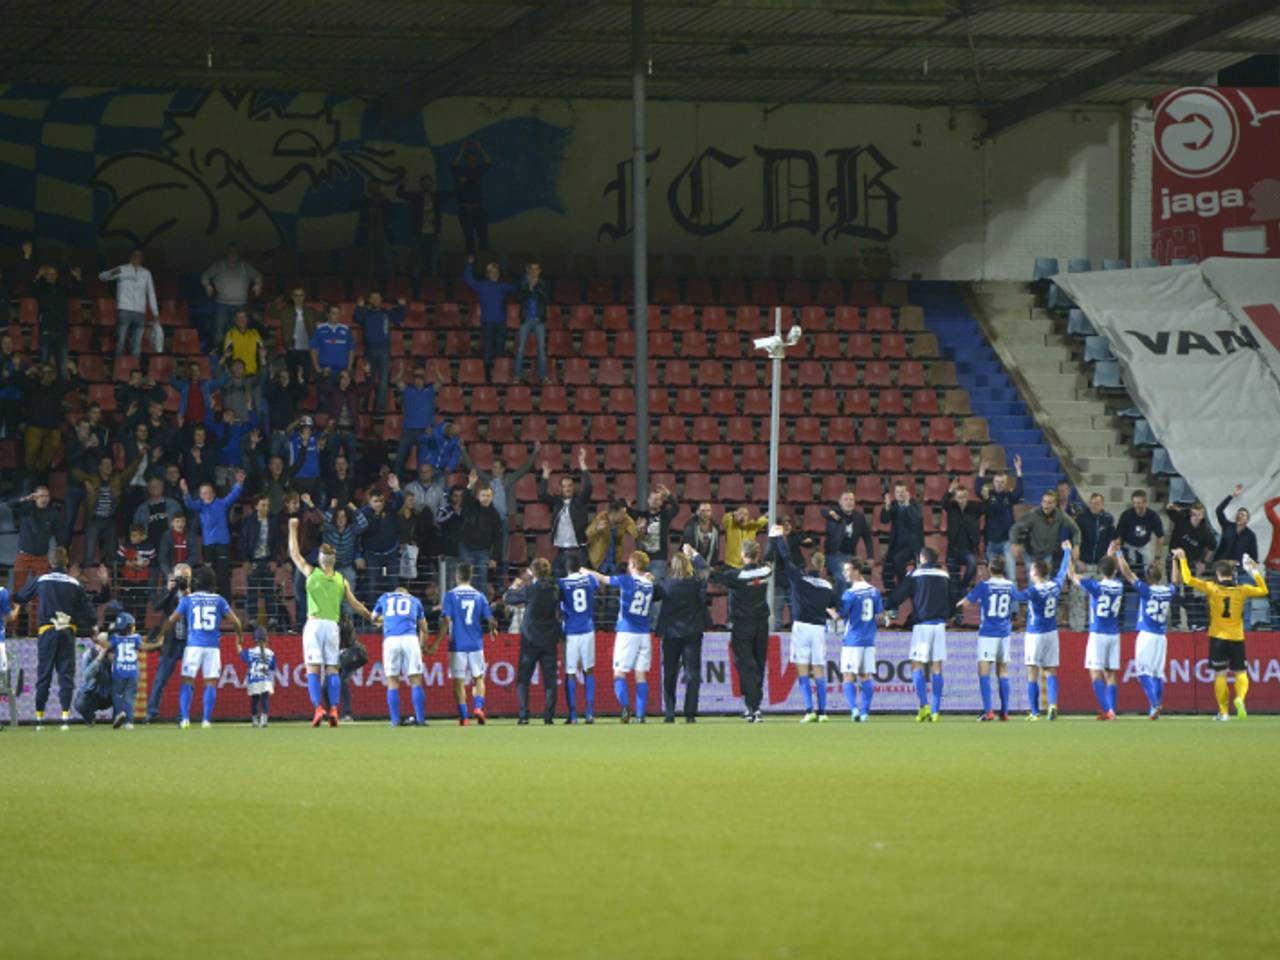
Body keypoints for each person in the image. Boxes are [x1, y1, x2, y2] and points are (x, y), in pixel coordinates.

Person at [289, 517, 373, 728]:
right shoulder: (340, 580)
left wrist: (293, 528)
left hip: (314, 625)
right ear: (333, 561)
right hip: (332, 627)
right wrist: (371, 617)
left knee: (313, 669)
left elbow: (295, 554)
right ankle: (335, 709)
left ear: (320, 559)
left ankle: (319, 708)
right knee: (333, 669)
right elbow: (355, 604)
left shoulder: (312, 573)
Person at [1174, 548, 1268, 721]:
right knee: (1240, 671)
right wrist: (1254, 571)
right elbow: (1263, 590)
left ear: (1218, 574)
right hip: (1237, 637)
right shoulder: (1242, 589)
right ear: (1232, 574)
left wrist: (1183, 559)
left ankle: (1223, 713)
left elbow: (1187, 579)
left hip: (1217, 637)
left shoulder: (1212, 587)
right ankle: (1240, 699)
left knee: (1220, 673)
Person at [15, 547, 98, 730]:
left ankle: (39, 719)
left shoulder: (42, 579)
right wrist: (94, 625)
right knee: (66, 675)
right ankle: (65, 718)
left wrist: (15, 600)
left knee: (44, 674)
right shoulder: (74, 583)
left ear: (50, 562)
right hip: (67, 631)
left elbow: (21, 597)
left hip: (47, 631)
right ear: (66, 562)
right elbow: (88, 610)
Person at [156, 566, 244, 728]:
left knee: (187, 681)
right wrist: (239, 638)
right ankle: (206, 720)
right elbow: (236, 622)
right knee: (210, 683)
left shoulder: (188, 600)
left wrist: (160, 635)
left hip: (193, 647)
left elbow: (171, 620)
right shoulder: (219, 600)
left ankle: (185, 719)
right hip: (212, 648)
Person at [769, 524, 837, 723]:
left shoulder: (799, 579)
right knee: (819, 668)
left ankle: (809, 710)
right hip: (819, 629)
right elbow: (834, 606)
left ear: (809, 564)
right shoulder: (828, 586)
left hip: (801, 627)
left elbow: (786, 559)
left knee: (802, 668)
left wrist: (779, 539)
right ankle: (823, 712)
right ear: (822, 567)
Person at [582, 551, 659, 723]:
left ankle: (625, 707)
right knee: (640, 675)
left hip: (627, 632)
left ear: (633, 565)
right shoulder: (649, 583)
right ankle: (641, 716)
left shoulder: (627, 580)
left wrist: (587, 571)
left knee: (619, 673)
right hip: (644, 634)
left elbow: (604, 579)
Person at [884, 546, 952, 722]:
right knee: (937, 667)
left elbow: (898, 595)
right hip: (939, 625)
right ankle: (936, 711)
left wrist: (889, 605)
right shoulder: (945, 575)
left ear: (922, 558)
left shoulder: (916, 574)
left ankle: (923, 706)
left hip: (922, 625)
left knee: (916, 665)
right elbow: (952, 599)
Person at [710, 542, 772, 722]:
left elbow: (713, 576)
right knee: (758, 664)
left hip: (743, 625)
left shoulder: (737, 576)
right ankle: (753, 705)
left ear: (743, 555)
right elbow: (769, 561)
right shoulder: (765, 572)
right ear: (757, 555)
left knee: (745, 666)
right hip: (762, 625)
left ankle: (754, 708)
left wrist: (695, 556)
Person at [1114, 550, 1176, 720]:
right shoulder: (1167, 591)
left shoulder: (1146, 590)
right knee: (1157, 674)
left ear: (1148, 578)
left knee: (1142, 673)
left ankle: (1155, 704)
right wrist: (1175, 562)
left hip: (1147, 635)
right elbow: (1175, 582)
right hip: (1161, 637)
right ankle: (1154, 709)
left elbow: (1127, 573)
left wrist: (1119, 554)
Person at [1065, 551, 1125, 720]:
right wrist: (1112, 556)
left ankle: (1108, 711)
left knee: (1095, 673)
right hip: (1114, 634)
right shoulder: (1119, 586)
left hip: (1098, 634)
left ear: (1099, 570)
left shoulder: (1095, 586)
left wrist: (1068, 554)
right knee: (1110, 673)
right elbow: (1109, 569)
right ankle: (1112, 709)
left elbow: (1071, 575)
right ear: (1115, 571)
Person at [956, 555, 1017, 722]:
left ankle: (989, 711)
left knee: (984, 672)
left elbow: (966, 603)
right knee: (1002, 671)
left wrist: (955, 605)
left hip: (988, 633)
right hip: (1004, 634)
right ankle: (1004, 712)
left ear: (990, 568)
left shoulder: (984, 586)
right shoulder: (1011, 586)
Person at [1014, 546, 1072, 721]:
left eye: (1032, 570)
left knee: (1033, 672)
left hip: (1035, 634)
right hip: (1051, 633)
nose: (1030, 573)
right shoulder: (1055, 585)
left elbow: (1017, 596)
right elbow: (1063, 571)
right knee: (1051, 670)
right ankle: (1053, 705)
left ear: (1036, 573)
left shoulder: (1033, 591)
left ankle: (1035, 712)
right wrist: (1067, 552)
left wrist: (1005, 585)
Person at [655, 546, 709, 723]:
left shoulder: (665, 584)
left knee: (669, 673)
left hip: (671, 634)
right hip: (692, 633)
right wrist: (695, 554)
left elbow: (652, 596)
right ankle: (690, 713)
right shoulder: (696, 583)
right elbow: (705, 569)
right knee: (693, 674)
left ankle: (670, 712)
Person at [504, 559, 562, 725]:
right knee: (550, 679)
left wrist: (514, 586)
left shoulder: (529, 590)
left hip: (530, 640)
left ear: (534, 572)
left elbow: (509, 598)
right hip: (549, 639)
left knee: (523, 679)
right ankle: (548, 717)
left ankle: (523, 716)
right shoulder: (556, 589)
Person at [440, 563, 496, 725]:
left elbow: (446, 620)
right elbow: (491, 619)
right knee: (479, 678)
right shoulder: (479, 596)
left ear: (456, 576)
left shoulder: (450, 595)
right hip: (476, 644)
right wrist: (493, 630)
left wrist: (437, 641)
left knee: (458, 681)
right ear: (470, 577)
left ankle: (464, 717)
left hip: (457, 645)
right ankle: (478, 707)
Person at [828, 558, 882, 722]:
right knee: (865, 676)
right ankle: (865, 713)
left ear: (857, 571)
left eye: (848, 570)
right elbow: (880, 616)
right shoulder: (874, 591)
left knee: (848, 676)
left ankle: (854, 710)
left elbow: (839, 616)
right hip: (869, 640)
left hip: (853, 640)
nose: (845, 573)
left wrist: (828, 609)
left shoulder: (850, 594)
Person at [181, 470, 245, 602]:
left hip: (223, 544)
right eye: (204, 493)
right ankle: (210, 601)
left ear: (214, 493)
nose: (208, 495)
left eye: (210, 492)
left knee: (223, 575)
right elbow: (189, 504)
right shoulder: (200, 506)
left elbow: (233, 496)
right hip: (208, 546)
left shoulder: (222, 503)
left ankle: (225, 603)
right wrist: (185, 492)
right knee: (209, 575)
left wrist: (239, 483)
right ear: (200, 495)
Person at [372, 585, 431, 727]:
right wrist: (422, 646)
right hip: (410, 639)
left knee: (392, 681)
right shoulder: (415, 600)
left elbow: (373, 618)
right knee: (415, 679)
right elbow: (424, 627)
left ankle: (395, 721)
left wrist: (383, 622)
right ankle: (420, 719)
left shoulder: (384, 598)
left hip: (391, 639)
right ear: (406, 593)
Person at [95, 612, 159, 730]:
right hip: (133, 672)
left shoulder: (116, 638)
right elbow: (143, 647)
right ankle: (129, 722)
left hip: (119, 672)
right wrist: (156, 645)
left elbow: (107, 645)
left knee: (116, 694)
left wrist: (96, 639)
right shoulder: (136, 638)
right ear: (129, 626)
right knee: (130, 697)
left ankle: (120, 713)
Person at [145, 563, 192, 723]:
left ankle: (183, 715)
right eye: (179, 577)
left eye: (185, 577)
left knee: (188, 682)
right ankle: (151, 713)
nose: (182, 580)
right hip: (170, 642)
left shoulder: (194, 595)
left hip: (188, 643)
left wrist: (187, 593)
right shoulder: (169, 592)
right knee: (160, 680)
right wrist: (169, 590)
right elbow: (157, 606)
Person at [9, 486, 59, 633]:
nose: (44, 499)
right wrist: (26, 498)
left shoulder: (53, 514)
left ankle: (36, 630)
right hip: (23, 556)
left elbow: (60, 535)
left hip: (41, 558)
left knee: (40, 593)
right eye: (41, 496)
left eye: (46, 496)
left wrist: (58, 554)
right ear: (35, 497)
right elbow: (10, 504)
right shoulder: (26, 509)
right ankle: (12, 629)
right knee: (18, 592)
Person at [557, 551, 598, 724]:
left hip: (571, 631)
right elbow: (597, 584)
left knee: (571, 672)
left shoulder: (561, 583)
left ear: (566, 567)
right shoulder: (589, 579)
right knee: (589, 670)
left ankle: (573, 716)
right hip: (588, 629)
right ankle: (589, 713)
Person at [539, 448, 592, 577]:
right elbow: (542, 494)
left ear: (573, 487)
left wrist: (582, 464)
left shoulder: (579, 501)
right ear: (560, 489)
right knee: (559, 582)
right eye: (564, 486)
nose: (567, 488)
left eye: (570, 486)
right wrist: (545, 475)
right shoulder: (557, 502)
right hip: (561, 551)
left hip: (578, 551)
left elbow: (589, 487)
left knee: (580, 582)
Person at [200, 244, 262, 354]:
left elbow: (258, 276)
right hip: (222, 304)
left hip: (241, 304)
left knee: (240, 330)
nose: (233, 254)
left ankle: (239, 352)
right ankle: (219, 354)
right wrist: (207, 285)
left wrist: (258, 284)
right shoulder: (219, 265)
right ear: (226, 253)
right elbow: (205, 275)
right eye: (230, 252)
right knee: (219, 331)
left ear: (238, 254)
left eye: (235, 252)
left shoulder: (244, 266)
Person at [1165, 500, 1217, 630]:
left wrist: (1203, 562)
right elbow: (1169, 510)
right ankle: (1176, 622)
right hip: (1174, 559)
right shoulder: (1182, 518)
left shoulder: (1205, 532)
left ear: (1203, 515)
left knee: (1189, 593)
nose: (1195, 517)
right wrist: (1171, 507)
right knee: (1174, 590)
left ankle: (1192, 622)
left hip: (1190, 563)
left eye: (1198, 515)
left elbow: (1212, 547)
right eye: (1193, 514)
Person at [462, 255, 514, 383]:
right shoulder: (482, 285)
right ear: (487, 274)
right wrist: (469, 265)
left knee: (500, 348)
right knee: (488, 349)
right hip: (487, 322)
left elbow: (517, 289)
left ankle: (501, 375)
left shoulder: (503, 286)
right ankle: (487, 377)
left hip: (501, 322)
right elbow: (468, 279)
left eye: (496, 272)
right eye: (491, 272)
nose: (494, 274)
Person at [100, 248, 158, 358]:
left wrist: (155, 312)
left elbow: (151, 293)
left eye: (140, 256)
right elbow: (102, 277)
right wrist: (111, 273)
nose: (138, 258)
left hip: (140, 312)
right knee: (121, 342)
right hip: (124, 310)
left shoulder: (146, 273)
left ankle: (134, 367)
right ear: (131, 257)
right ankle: (118, 366)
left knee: (137, 344)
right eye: (136, 255)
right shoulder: (122, 269)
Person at [1070, 493, 1116, 631]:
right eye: (1092, 503)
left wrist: (1108, 560)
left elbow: (1112, 541)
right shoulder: (1081, 519)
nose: (1095, 505)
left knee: (1100, 598)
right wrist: (1077, 560)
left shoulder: (1108, 519)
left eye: (1098, 503)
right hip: (1083, 566)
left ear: (1102, 504)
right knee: (1078, 597)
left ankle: (1098, 627)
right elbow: (1075, 542)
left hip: (1100, 567)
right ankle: (1077, 629)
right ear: (1089, 503)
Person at [354, 292, 406, 411]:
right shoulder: (365, 313)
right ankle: (366, 408)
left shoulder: (386, 313)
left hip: (384, 351)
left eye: (377, 298)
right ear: (369, 300)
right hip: (369, 351)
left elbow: (400, 317)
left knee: (383, 381)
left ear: (381, 299)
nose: (375, 300)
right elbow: (357, 318)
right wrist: (359, 307)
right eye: (372, 298)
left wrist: (402, 306)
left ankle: (380, 410)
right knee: (369, 380)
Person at [976, 455, 1024, 577]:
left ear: (1006, 483)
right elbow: (977, 490)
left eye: (1002, 482)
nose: (999, 484)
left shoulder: (1009, 496)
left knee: (1011, 573)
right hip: (991, 542)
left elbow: (1019, 491)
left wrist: (1018, 470)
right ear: (993, 482)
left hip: (1006, 541)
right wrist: (982, 471)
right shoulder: (988, 495)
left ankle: (1013, 588)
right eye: (997, 481)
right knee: (993, 575)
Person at [392, 364, 444, 474]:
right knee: (399, 461)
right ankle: (396, 482)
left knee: (422, 463)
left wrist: (436, 371)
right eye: (416, 376)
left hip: (425, 432)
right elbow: (397, 381)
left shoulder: (430, 390)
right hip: (408, 431)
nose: (418, 379)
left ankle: (419, 483)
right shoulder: (408, 389)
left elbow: (441, 381)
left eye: (421, 376)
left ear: (424, 378)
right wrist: (402, 371)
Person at [942, 479, 984, 615]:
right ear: (955, 497)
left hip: (968, 549)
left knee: (972, 565)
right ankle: (957, 613)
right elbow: (943, 503)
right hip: (953, 549)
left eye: (964, 497)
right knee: (953, 585)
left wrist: (984, 495)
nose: (962, 500)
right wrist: (950, 491)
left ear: (967, 496)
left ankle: (963, 585)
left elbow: (986, 507)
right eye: (959, 497)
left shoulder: (974, 507)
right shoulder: (952, 507)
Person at [268, 287, 325, 385]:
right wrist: (275, 302)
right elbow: (271, 313)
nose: (298, 298)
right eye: (296, 295)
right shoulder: (285, 311)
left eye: (301, 295)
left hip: (307, 350)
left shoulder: (310, 311)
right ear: (292, 297)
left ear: (304, 297)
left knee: (305, 377)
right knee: (292, 378)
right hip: (291, 348)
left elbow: (324, 317)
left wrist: (326, 305)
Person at [880, 482, 924, 605]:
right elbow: (884, 520)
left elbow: (916, 519)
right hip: (896, 545)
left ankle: (903, 591)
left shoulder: (914, 504)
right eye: (897, 492)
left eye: (902, 492)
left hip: (912, 546)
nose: (900, 494)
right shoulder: (893, 504)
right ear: (894, 493)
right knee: (886, 574)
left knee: (899, 561)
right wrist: (886, 506)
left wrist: (907, 505)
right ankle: (895, 598)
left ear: (907, 492)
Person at [823, 491, 874, 593]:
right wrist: (830, 513)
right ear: (840, 502)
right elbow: (823, 511)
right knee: (844, 578)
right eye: (846, 499)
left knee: (855, 580)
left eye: (851, 500)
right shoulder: (835, 513)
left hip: (851, 556)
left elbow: (867, 537)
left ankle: (844, 601)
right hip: (834, 555)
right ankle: (841, 603)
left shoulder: (859, 517)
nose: (849, 502)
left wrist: (870, 556)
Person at [399, 173, 443, 285]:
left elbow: (452, 193)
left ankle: (432, 288)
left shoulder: (437, 196)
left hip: (433, 235)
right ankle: (416, 288)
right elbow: (400, 194)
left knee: (432, 263)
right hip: (419, 235)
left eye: (429, 183)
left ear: (432, 184)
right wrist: (402, 183)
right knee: (418, 263)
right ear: (421, 184)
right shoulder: (416, 196)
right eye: (425, 183)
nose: (427, 186)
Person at [1112, 489, 1165, 578]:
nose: (1137, 506)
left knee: (1147, 573)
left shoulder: (1153, 516)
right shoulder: (1126, 515)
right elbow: (1118, 535)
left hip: (1144, 546)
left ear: (1145, 503)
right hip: (1128, 546)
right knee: (1126, 573)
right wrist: (1118, 553)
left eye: (1139, 503)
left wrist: (1157, 558)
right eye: (1135, 503)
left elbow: (1160, 537)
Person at [452, 139, 492, 256]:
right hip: (465, 209)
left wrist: (480, 147)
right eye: (469, 159)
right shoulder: (459, 171)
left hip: (478, 208)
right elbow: (454, 164)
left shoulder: (477, 171)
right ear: (465, 160)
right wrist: (461, 149)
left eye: (473, 159)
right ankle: (471, 265)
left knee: (483, 237)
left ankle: (483, 264)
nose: (471, 161)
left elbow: (488, 162)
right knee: (469, 239)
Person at [514, 259, 549, 385]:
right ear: (527, 270)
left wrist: (537, 288)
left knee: (541, 351)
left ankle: (543, 376)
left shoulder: (543, 284)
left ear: (539, 271)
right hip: (526, 320)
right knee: (520, 349)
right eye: (532, 269)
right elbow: (519, 298)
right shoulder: (522, 283)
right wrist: (529, 288)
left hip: (539, 321)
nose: (534, 271)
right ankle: (517, 376)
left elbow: (546, 299)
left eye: (536, 269)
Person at [587, 498, 639, 574]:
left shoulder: (625, 519)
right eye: (622, 514)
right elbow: (588, 533)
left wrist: (639, 530)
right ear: (614, 514)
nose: (625, 516)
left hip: (615, 562)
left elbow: (635, 532)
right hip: (599, 562)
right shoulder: (601, 517)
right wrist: (597, 529)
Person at [241, 625, 276, 728]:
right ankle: (264, 721)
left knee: (255, 700)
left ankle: (254, 721)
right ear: (266, 639)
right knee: (265, 700)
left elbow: (242, 655)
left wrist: (238, 643)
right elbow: (273, 667)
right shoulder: (271, 653)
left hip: (253, 679)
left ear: (254, 640)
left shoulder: (250, 651)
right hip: (265, 679)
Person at [309, 305, 356, 380]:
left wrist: (349, 369)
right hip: (325, 372)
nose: (337, 316)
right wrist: (317, 369)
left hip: (342, 373)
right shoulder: (320, 329)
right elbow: (313, 349)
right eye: (334, 313)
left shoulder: (346, 330)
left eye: (338, 313)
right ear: (328, 315)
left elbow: (351, 350)